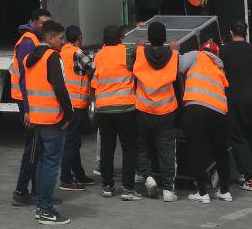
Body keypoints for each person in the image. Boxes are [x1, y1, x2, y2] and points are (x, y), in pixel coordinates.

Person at [22, 20, 76, 226]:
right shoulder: (53, 57)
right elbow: (60, 88)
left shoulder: (30, 58)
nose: (63, 42)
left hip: (38, 118)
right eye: (60, 38)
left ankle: (41, 207)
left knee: (43, 163)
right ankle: (45, 209)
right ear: (50, 38)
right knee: (51, 165)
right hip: (53, 119)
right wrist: (69, 114)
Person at [91, 24, 140, 201]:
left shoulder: (98, 56)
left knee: (107, 148)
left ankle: (107, 186)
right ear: (121, 37)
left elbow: (94, 83)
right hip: (125, 107)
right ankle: (127, 188)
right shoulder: (128, 51)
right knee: (128, 148)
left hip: (104, 109)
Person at [180, 39, 233, 203]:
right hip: (218, 111)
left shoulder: (196, 55)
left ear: (202, 49)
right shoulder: (219, 67)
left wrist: (175, 52)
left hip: (196, 107)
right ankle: (225, 190)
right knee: (220, 151)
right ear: (216, 54)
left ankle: (202, 193)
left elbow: (180, 67)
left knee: (197, 149)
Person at [133, 20, 179, 202]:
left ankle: (148, 176)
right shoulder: (173, 55)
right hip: (166, 111)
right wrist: (174, 49)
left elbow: (137, 52)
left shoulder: (140, 53)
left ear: (149, 38)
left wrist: (139, 45)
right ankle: (168, 189)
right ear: (165, 38)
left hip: (143, 109)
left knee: (141, 145)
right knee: (167, 149)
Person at [219, 20, 252, 192]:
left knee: (239, 139)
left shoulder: (224, 51)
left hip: (234, 100)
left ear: (231, 32)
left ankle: (250, 178)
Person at [12, 7, 53, 207]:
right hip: (28, 101)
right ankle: (21, 191)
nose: (45, 27)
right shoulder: (28, 42)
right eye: (43, 23)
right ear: (34, 22)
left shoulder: (35, 40)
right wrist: (28, 109)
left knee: (37, 148)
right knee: (33, 148)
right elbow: (24, 79)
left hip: (32, 101)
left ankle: (37, 191)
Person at [59, 25, 94, 191]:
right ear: (79, 37)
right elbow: (94, 68)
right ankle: (66, 179)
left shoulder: (61, 52)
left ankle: (79, 175)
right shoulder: (78, 53)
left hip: (66, 104)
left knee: (74, 142)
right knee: (71, 144)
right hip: (77, 105)